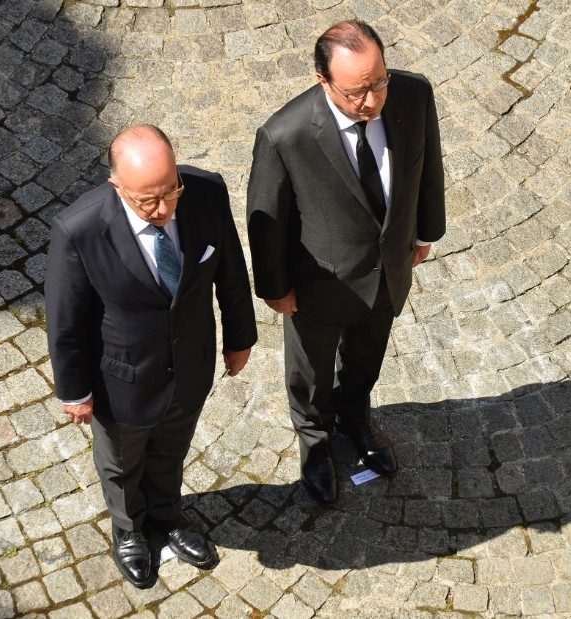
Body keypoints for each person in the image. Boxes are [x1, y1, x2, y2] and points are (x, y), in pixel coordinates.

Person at [45, 125, 257, 588]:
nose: (163, 209)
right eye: (147, 201)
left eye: (170, 192)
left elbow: (231, 271)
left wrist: (240, 338)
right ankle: (129, 532)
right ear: (116, 185)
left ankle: (166, 516)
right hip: (122, 380)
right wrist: (74, 390)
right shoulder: (78, 230)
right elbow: (66, 321)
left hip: (190, 366)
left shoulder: (205, 192)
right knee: (121, 465)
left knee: (171, 451)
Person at [246, 20, 446, 505]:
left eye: (379, 82)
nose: (373, 100)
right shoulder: (284, 135)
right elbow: (266, 220)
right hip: (319, 284)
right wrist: (275, 289)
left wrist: (424, 232)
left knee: (366, 357)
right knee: (311, 373)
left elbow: (427, 164)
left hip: (387, 272)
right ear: (323, 80)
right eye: (358, 92)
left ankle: (356, 419)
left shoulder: (413, 95)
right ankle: (314, 443)